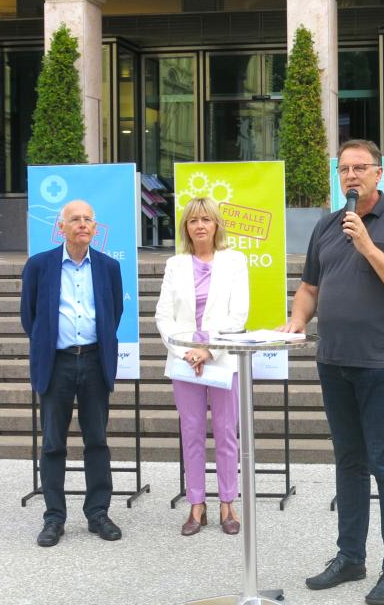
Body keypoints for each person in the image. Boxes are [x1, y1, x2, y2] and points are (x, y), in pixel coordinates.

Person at [282, 139, 384, 605]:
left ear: (379, 173)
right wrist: (298, 319)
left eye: (360, 167)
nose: (350, 176)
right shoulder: (327, 226)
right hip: (335, 361)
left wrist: (367, 246)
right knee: (348, 462)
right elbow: (309, 287)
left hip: (383, 363)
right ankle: (350, 558)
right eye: (343, 168)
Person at [20, 199, 124, 547]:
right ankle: (54, 518)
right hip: (57, 363)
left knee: (96, 441)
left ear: (95, 228)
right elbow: (29, 316)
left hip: (94, 361)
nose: (82, 224)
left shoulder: (108, 267)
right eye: (74, 219)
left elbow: (114, 313)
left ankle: (98, 514)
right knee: (52, 443)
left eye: (88, 220)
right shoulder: (39, 266)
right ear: (61, 227)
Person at [155, 197, 249, 536]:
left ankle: (227, 502)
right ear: (186, 227)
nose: (200, 226)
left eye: (206, 219)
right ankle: (197, 504)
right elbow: (163, 315)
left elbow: (238, 314)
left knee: (225, 433)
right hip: (184, 363)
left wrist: (207, 350)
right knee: (191, 433)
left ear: (216, 225)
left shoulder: (234, 261)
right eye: (193, 220)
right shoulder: (175, 264)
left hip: (221, 359)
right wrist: (187, 352)